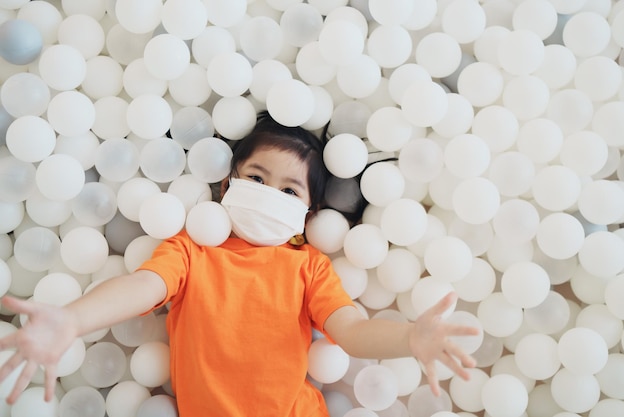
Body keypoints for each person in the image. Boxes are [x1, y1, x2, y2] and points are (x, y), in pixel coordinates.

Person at [0, 112, 479, 416]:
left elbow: (350, 330)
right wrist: (73, 318)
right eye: (257, 176)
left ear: (305, 213)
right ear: (228, 186)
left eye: (289, 190)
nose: (271, 193)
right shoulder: (192, 250)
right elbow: (142, 287)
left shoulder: (307, 266)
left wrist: (411, 338)